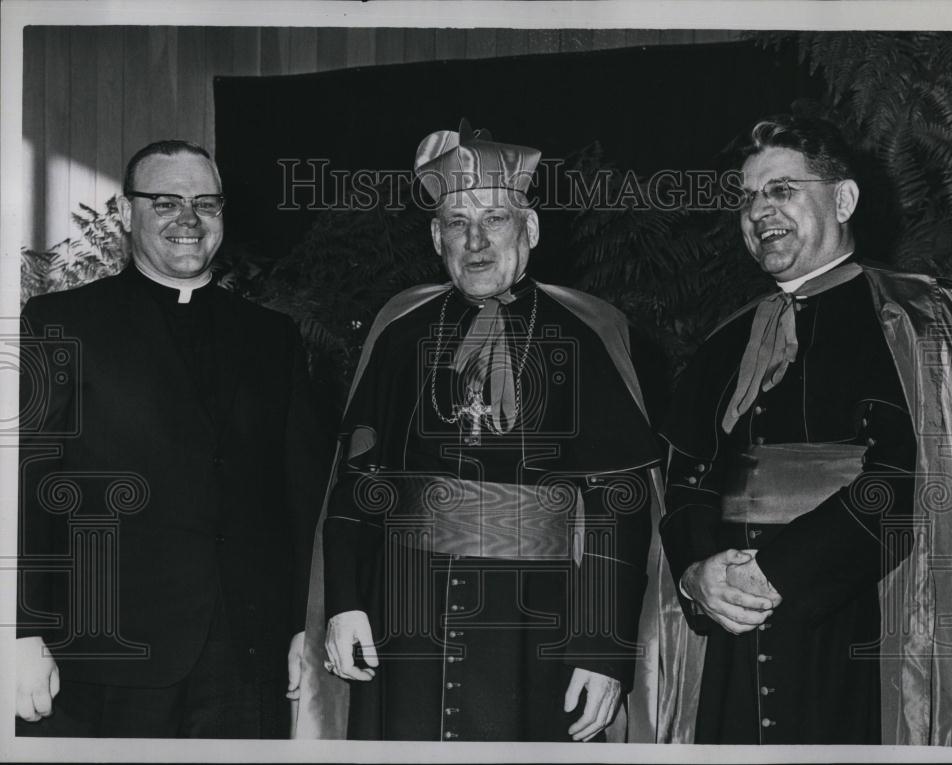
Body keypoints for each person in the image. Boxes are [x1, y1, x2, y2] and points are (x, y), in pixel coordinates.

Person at [293, 120, 662, 742]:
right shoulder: (400, 334)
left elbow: (617, 502)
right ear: (436, 237)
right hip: (403, 618)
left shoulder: (586, 335)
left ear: (531, 228)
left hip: (540, 620)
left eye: (495, 219)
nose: (476, 241)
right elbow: (360, 479)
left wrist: (601, 649)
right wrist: (346, 602)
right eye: (458, 223)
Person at [656, 115, 952, 744]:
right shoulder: (725, 341)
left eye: (782, 189)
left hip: (859, 623)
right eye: (747, 197)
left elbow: (915, 478)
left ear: (844, 199)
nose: (758, 210)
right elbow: (685, 478)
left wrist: (778, 573)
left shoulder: (914, 317)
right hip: (730, 635)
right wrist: (697, 574)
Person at [16, 140, 329, 738]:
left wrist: (302, 626)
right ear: (127, 212)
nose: (188, 219)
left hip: (245, 656)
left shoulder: (273, 337)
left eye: (205, 203)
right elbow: (25, 487)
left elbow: (302, 492)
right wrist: (21, 630)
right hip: (104, 653)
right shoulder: (61, 324)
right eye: (165, 202)